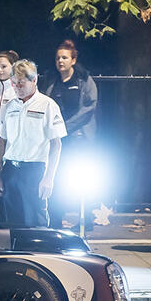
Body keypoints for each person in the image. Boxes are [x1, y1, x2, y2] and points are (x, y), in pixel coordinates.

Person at [0, 60, 67, 228]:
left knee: (36, 225)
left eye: (21, 82)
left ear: (34, 80)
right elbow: (2, 141)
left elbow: (56, 144)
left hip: (34, 171)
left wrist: (49, 177)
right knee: (8, 225)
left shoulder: (48, 105)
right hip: (10, 170)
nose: (17, 87)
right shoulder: (10, 106)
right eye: (14, 83)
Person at [42, 39, 98, 229]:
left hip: (78, 139)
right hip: (57, 138)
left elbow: (89, 108)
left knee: (80, 180)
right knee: (56, 178)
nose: (60, 61)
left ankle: (85, 219)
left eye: (65, 58)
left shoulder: (84, 80)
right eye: (58, 58)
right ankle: (55, 221)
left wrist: (66, 128)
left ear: (73, 60)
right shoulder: (51, 80)